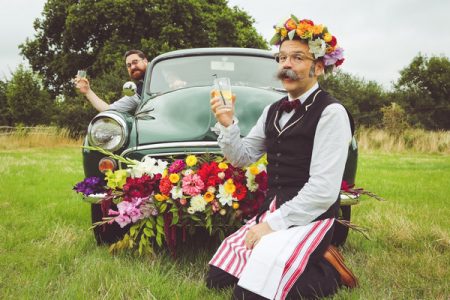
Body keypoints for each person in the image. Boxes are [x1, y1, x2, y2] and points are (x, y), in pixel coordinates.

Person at [206, 15, 357, 299]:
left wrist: (269, 226)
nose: (286, 64)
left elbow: (323, 192)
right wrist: (227, 123)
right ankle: (301, 257)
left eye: (297, 57)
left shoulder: (331, 113)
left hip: (311, 216)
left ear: (319, 67)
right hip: (274, 209)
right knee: (217, 278)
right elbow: (242, 156)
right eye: (282, 57)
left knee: (248, 295)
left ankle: (329, 270)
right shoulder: (273, 109)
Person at [74, 49, 148, 113]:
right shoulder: (137, 93)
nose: (132, 67)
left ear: (145, 61)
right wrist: (88, 91)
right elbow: (109, 110)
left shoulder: (159, 70)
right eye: (128, 65)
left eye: (135, 62)